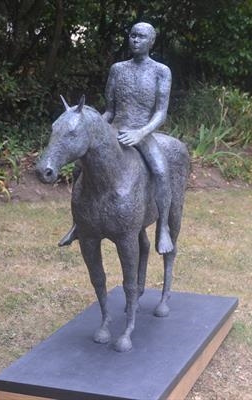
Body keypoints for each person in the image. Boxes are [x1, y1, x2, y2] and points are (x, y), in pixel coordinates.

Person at [60, 22, 173, 254]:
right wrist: (96, 129)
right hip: (115, 129)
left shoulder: (161, 71)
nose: (135, 40)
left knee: (161, 171)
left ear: (151, 42)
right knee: (79, 167)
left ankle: (163, 229)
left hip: (142, 132)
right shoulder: (118, 69)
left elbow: (161, 113)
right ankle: (77, 224)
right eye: (132, 35)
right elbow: (110, 110)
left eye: (141, 37)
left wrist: (141, 133)